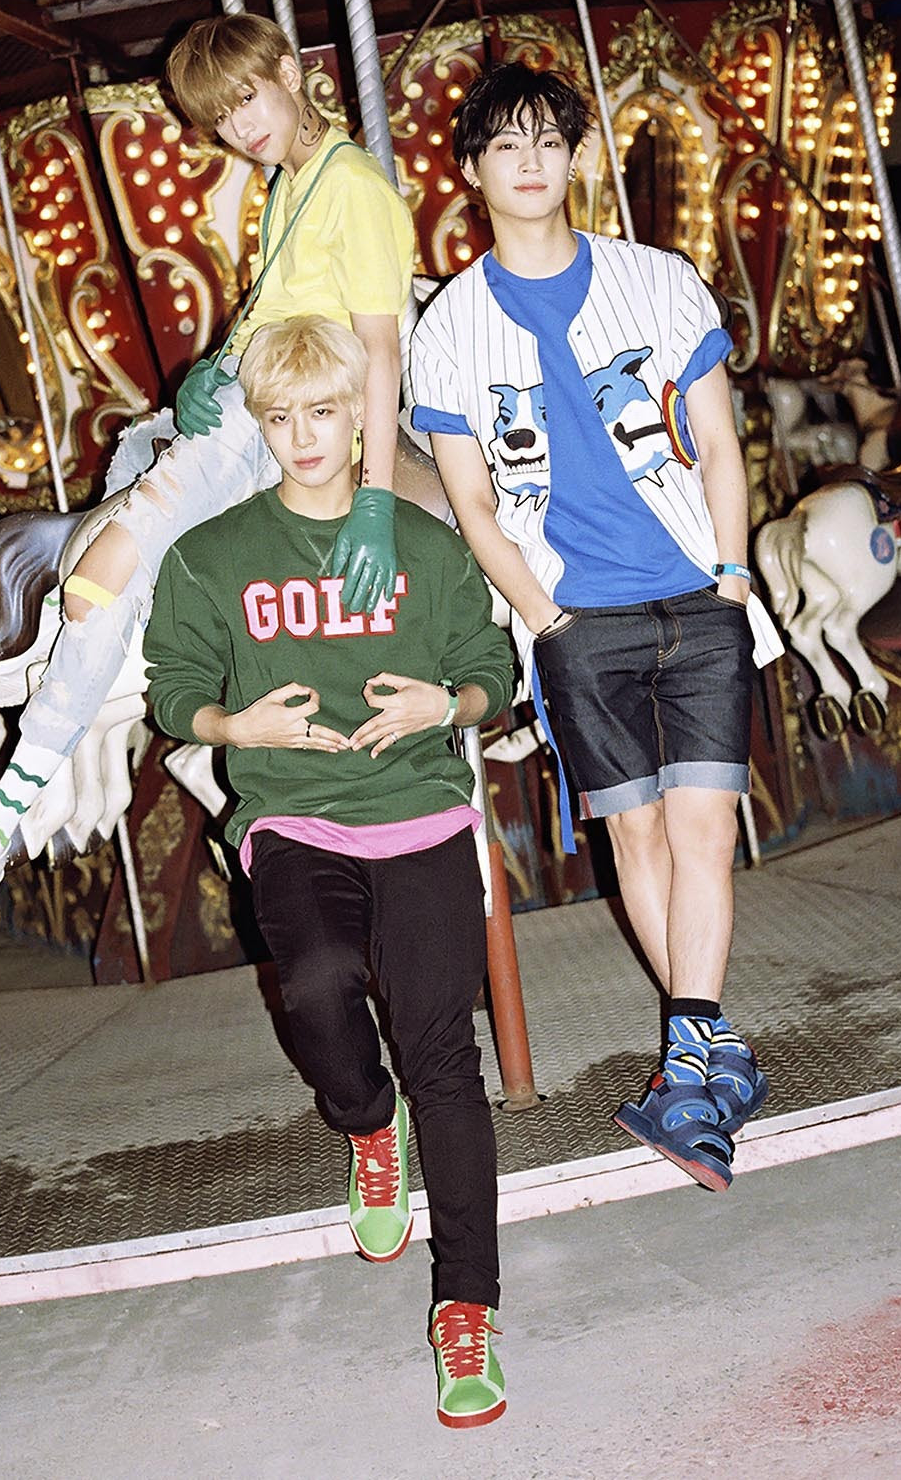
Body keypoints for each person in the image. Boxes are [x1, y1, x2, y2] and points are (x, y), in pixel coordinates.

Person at [0, 13, 414, 932]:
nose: (240, 127)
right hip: (244, 393)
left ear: (290, 73)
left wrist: (374, 498)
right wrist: (215, 363)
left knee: (104, 566)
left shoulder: (353, 187)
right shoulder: (292, 182)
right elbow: (273, 304)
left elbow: (379, 345)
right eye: (220, 117)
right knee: (128, 462)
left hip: (282, 413)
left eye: (248, 99)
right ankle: (68, 656)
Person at [409, 62, 783, 1193]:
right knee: (637, 839)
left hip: (697, 596)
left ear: (576, 155)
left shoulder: (660, 282)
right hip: (576, 618)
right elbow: (473, 502)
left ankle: (694, 1057)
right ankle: (712, 1062)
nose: (529, 162)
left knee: (705, 830)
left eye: (548, 140)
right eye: (504, 144)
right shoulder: (451, 326)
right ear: (471, 170)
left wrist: (730, 577)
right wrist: (545, 617)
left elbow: (720, 448)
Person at [143, 316, 513, 1428]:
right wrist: (233, 722)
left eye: (323, 411)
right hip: (294, 814)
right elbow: (174, 686)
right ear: (259, 426)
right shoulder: (212, 554)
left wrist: (446, 704)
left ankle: (467, 1309)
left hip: (420, 812)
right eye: (281, 416)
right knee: (313, 988)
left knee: (446, 1056)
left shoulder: (426, 544)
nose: (304, 435)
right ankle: (364, 1120)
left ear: (360, 414)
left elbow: (490, 668)